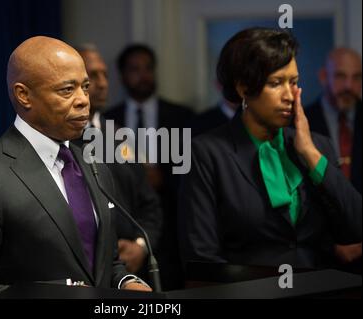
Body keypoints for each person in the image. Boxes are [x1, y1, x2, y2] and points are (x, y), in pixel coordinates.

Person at [0, 36, 151, 298]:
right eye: (66, 90)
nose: (83, 99)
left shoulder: (94, 164)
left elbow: (106, 264)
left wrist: (125, 282)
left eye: (84, 87)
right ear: (24, 95)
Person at [178, 28, 362, 270]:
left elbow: (356, 228)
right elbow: (201, 257)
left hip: (321, 290)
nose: (289, 95)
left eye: (294, 82)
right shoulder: (206, 153)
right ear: (244, 88)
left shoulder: (317, 146)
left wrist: (310, 154)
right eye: (276, 83)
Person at [105, 44, 193, 290]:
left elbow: (191, 173)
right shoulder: (107, 120)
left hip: (173, 226)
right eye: (135, 69)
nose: (143, 75)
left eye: (148, 68)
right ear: (122, 75)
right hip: (126, 225)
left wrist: (163, 177)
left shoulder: (181, 116)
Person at [77, 44, 162, 276]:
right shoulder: (58, 138)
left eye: (105, 75)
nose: (103, 83)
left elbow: (150, 205)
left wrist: (141, 247)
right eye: (93, 76)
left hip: (130, 269)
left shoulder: (121, 137)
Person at [306, 48, 361, 193]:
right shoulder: (301, 122)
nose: (349, 86)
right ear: (324, 77)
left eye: (356, 77)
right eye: (340, 76)